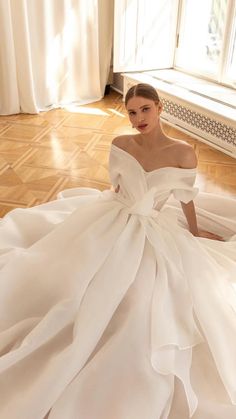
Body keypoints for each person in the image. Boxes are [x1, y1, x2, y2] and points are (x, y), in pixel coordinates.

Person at [0, 83, 235, 419]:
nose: (138, 118)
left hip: (153, 227)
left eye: (145, 109)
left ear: (159, 107)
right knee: (70, 280)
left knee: (141, 300)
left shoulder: (183, 153)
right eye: (132, 112)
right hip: (113, 215)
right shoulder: (120, 144)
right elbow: (118, 187)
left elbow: (185, 197)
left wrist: (195, 232)